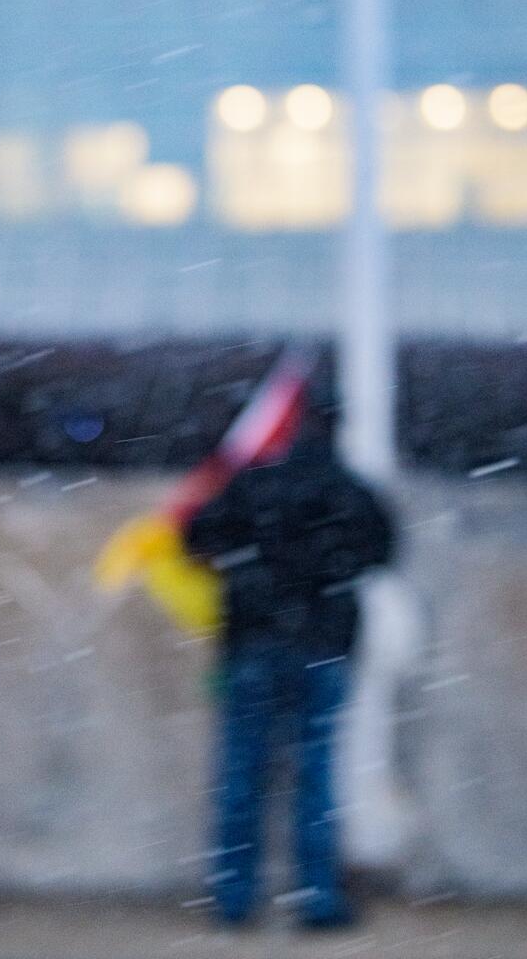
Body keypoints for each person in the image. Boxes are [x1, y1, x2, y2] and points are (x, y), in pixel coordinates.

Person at [184, 378, 396, 930]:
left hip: (253, 644)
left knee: (241, 773)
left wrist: (252, 570)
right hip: (323, 646)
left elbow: (195, 537)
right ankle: (317, 898)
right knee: (316, 776)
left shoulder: (254, 482)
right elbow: (383, 555)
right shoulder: (354, 491)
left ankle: (234, 899)